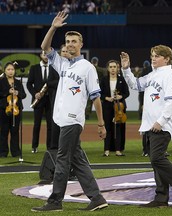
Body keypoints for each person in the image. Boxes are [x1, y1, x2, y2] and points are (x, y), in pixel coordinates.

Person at [32, 11, 108, 212]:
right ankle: (97, 198)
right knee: (78, 160)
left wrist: (101, 124)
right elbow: (44, 47)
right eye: (68, 41)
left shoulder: (87, 67)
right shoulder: (62, 63)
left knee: (62, 160)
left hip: (73, 121)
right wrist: (53, 27)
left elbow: (96, 98)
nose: (71, 44)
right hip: (62, 120)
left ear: (81, 45)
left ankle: (55, 201)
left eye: (74, 41)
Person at [120, 45, 172, 208]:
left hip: (161, 125)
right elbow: (135, 85)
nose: (153, 58)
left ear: (167, 59)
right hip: (150, 125)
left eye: (157, 56)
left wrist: (160, 122)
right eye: (152, 55)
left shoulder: (171, 76)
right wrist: (126, 69)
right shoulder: (153, 75)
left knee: (157, 158)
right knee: (156, 161)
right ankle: (161, 198)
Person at [27, 51, 58, 153]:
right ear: (40, 55)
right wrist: (34, 93)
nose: (46, 56)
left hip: (50, 100)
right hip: (38, 100)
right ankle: (34, 146)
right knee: (37, 124)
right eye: (44, 54)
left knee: (50, 125)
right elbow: (29, 84)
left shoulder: (53, 67)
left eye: (47, 55)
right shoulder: (34, 68)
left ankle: (49, 147)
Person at [100, 60, 129, 156]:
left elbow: (127, 93)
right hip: (107, 106)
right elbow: (100, 93)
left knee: (118, 128)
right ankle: (106, 150)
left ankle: (118, 150)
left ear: (117, 68)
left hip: (119, 107)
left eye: (114, 67)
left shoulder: (121, 79)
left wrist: (121, 97)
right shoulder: (104, 79)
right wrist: (106, 98)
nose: (113, 69)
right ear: (108, 68)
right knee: (107, 127)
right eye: (111, 67)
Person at [0, 62, 26, 158]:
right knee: (4, 131)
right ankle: (3, 152)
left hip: (16, 110)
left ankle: (15, 152)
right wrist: (7, 92)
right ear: (5, 71)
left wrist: (17, 92)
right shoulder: (1, 81)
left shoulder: (18, 82)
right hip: (4, 109)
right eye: (8, 69)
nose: (11, 71)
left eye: (12, 69)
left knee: (15, 131)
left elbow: (24, 95)